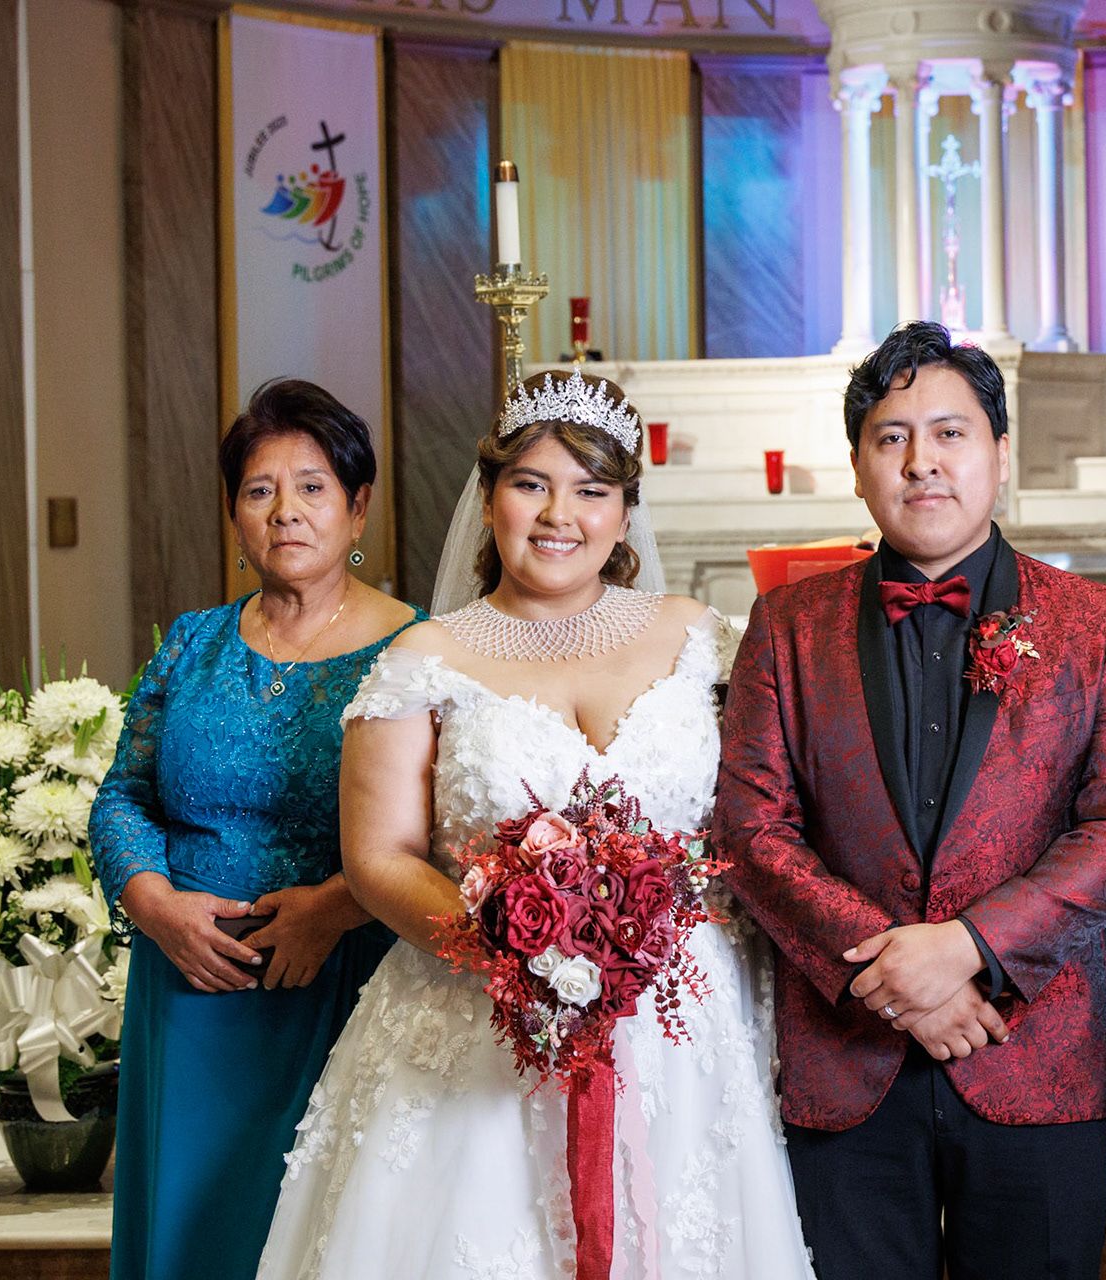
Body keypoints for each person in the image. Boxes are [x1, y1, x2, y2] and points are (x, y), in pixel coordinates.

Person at [254, 370, 816, 1279]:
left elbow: (762, 817)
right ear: (489, 501)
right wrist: (519, 954)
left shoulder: (699, 638)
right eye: (531, 484)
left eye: (592, 491)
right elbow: (378, 858)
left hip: (682, 1025)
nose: (561, 515)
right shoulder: (425, 657)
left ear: (625, 514)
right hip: (478, 1019)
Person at [716, 321, 1106, 1280]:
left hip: (1037, 1054)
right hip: (847, 1060)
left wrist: (965, 948)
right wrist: (892, 974)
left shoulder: (1094, 623)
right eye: (892, 437)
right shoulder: (787, 626)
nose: (921, 461)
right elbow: (751, 829)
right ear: (858, 467)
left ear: (999, 451)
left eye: (950, 433)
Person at [90, 379, 423, 1280]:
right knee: (190, 1238)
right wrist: (155, 907)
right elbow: (123, 795)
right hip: (188, 990)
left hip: (341, 980)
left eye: (313, 488)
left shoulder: (418, 649)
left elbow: (446, 830)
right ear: (235, 514)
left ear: (358, 508)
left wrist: (337, 908)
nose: (286, 512)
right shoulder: (192, 642)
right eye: (259, 490)